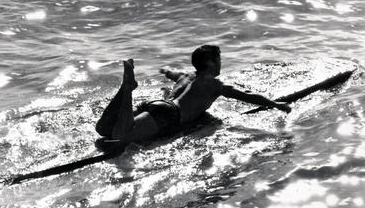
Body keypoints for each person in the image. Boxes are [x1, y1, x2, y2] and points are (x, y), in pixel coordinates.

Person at [95, 45, 291, 153]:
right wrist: (275, 104)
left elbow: (171, 72)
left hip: (156, 105)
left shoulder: (185, 77)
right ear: (210, 63)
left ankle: (125, 89)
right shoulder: (215, 85)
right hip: (169, 114)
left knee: (103, 130)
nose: (220, 63)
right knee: (121, 136)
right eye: (219, 60)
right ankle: (127, 88)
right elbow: (247, 96)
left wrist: (165, 70)